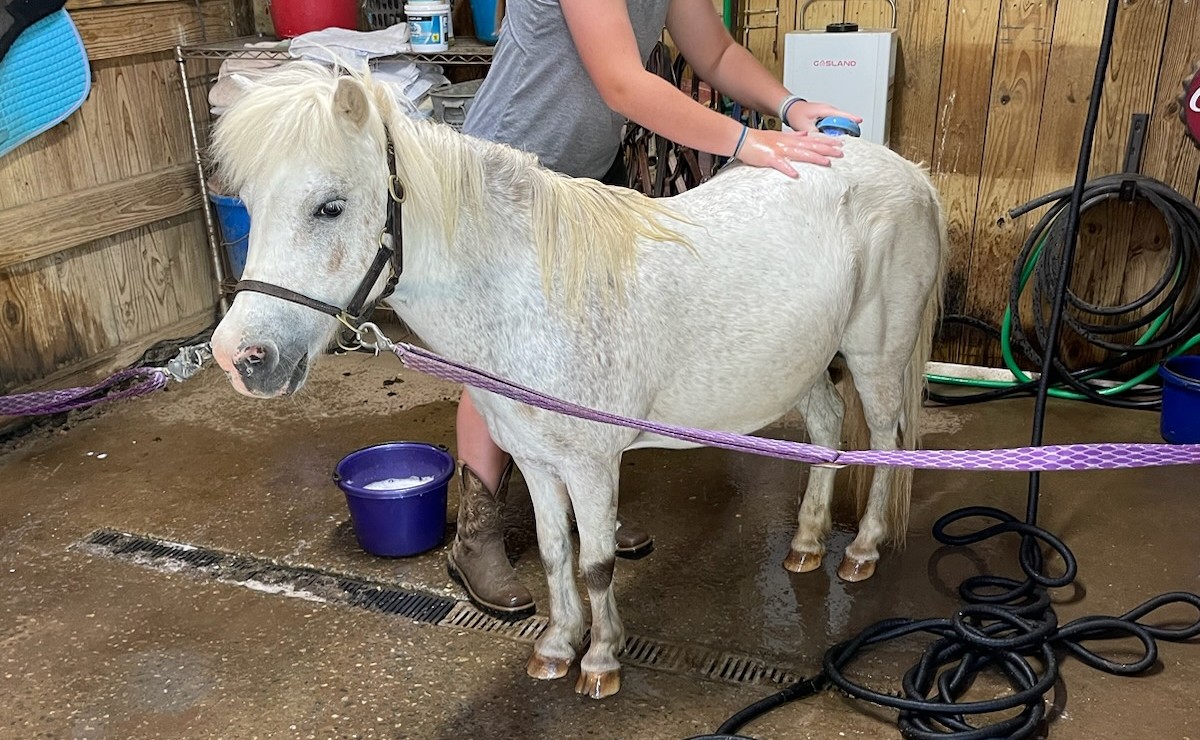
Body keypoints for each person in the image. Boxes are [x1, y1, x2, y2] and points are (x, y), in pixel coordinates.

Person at [450, 0, 862, 619]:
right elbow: (622, 83)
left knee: (584, 353)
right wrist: (747, 142)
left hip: (581, 176)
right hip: (503, 173)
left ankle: (582, 506)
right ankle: (475, 534)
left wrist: (790, 106)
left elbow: (716, 53)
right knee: (505, 356)